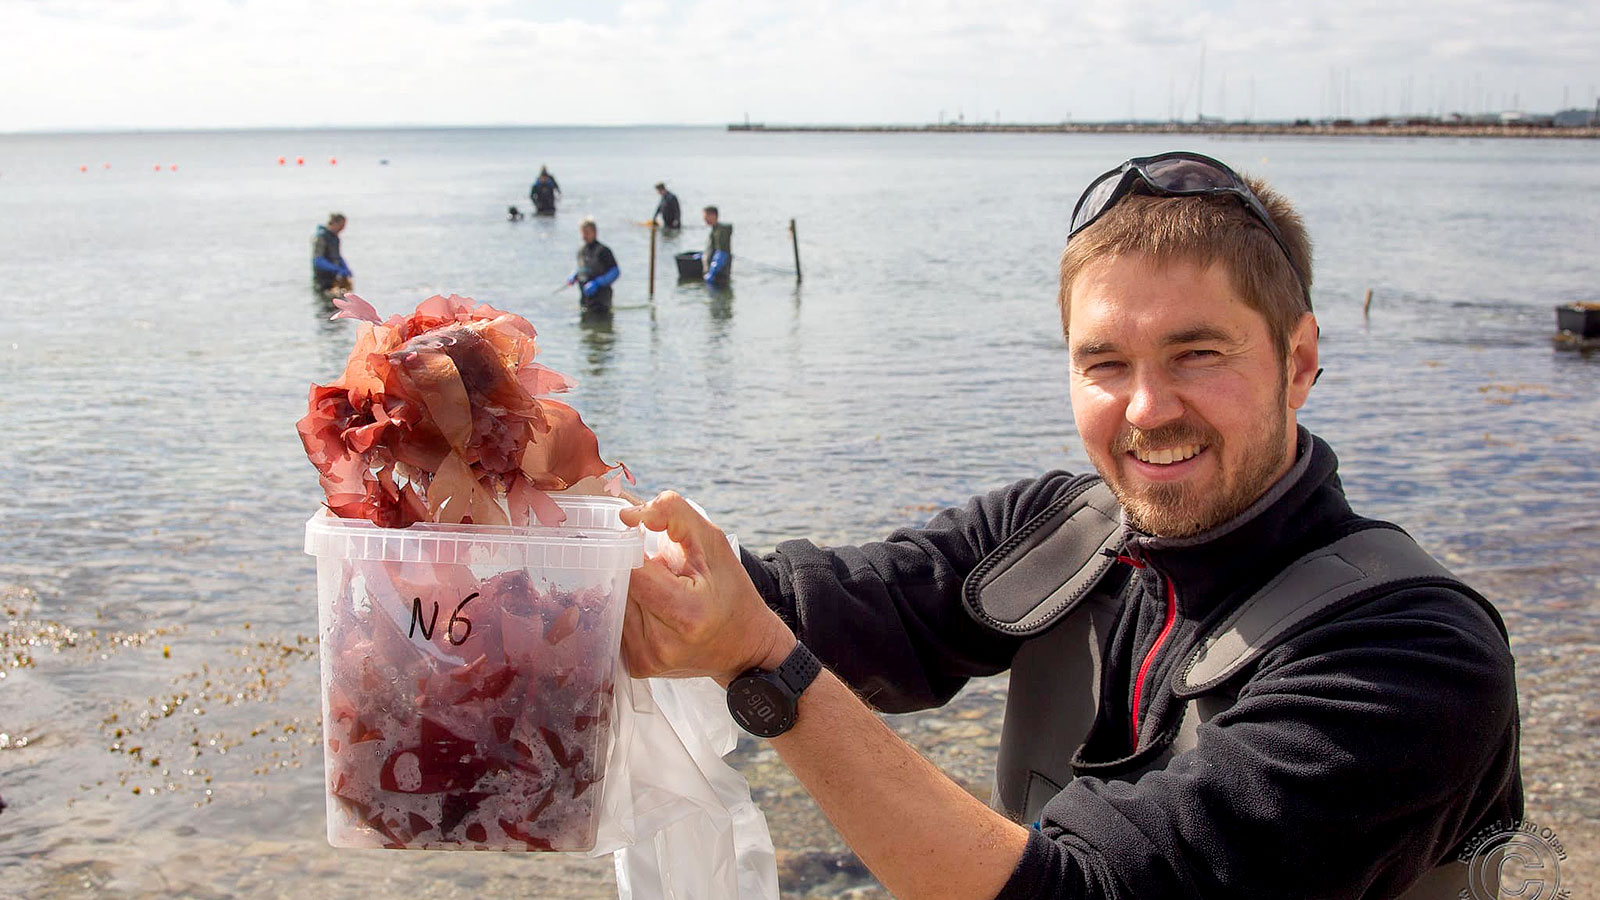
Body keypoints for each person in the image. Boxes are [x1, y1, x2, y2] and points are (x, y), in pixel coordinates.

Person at [617, 152, 1522, 900]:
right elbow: (805, 604)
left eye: (1197, 353)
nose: (1146, 408)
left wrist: (762, 666)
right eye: (1105, 364)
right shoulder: (1063, 530)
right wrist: (535, 479)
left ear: (1300, 359)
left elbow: (1090, 894)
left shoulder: (1415, 654)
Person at [567, 216, 619, 314]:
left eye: (587, 233)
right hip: (585, 298)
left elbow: (615, 271)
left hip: (601, 299)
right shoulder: (581, 251)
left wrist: (598, 283)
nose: (584, 236)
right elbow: (582, 267)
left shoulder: (603, 251)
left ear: (594, 232)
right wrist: (575, 275)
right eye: (582, 232)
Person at [311, 213, 352, 293]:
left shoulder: (335, 238)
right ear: (334, 223)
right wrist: (336, 269)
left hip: (334, 278)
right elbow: (318, 260)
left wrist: (345, 269)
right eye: (341, 225)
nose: (343, 228)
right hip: (322, 279)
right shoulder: (320, 237)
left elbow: (338, 257)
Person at [701, 205, 732, 284]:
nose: (704, 219)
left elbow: (722, 253)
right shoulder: (714, 230)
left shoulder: (721, 232)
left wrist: (712, 273)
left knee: (718, 295)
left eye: (705, 216)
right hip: (714, 272)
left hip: (718, 275)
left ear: (713, 216)